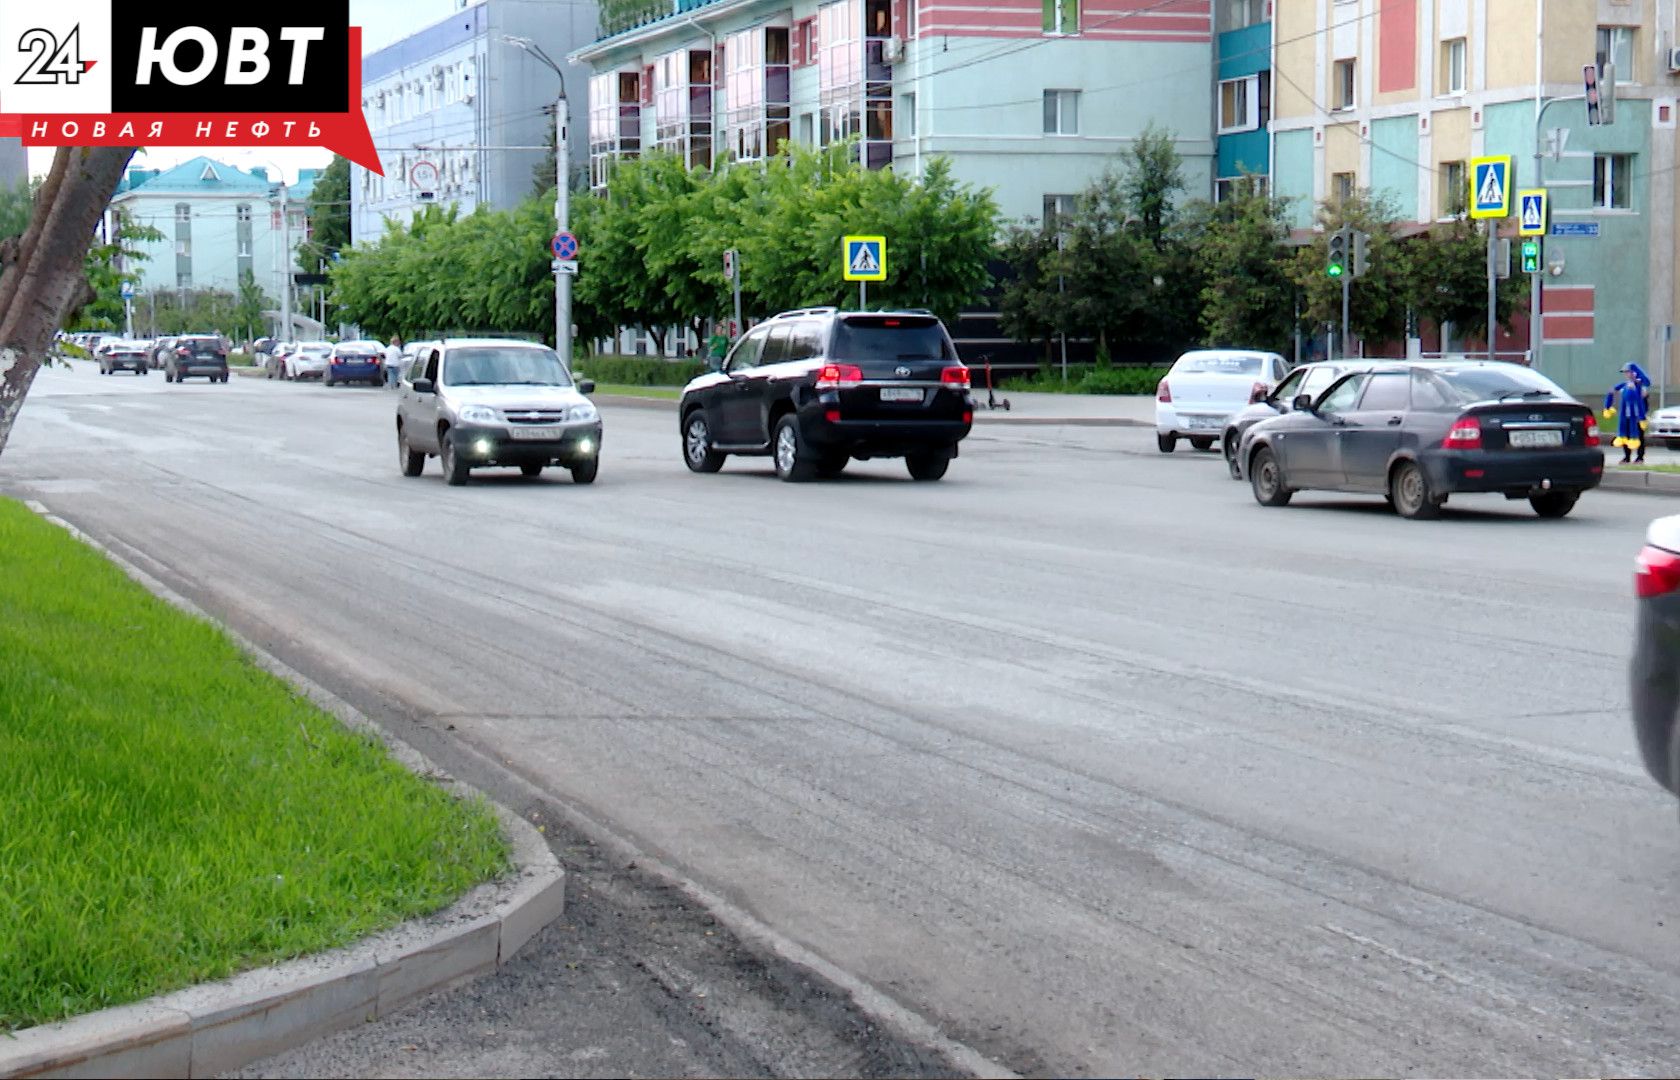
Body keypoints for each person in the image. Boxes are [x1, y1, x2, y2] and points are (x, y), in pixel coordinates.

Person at [1603, 361, 1653, 464]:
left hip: (1638, 415)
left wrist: (1636, 388)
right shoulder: (1625, 385)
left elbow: (1643, 395)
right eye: (1625, 372)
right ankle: (1627, 457)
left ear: (1634, 372)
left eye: (1628, 372)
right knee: (1625, 435)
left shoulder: (1640, 384)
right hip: (1626, 415)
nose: (1627, 374)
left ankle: (1640, 457)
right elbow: (1619, 393)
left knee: (1639, 436)